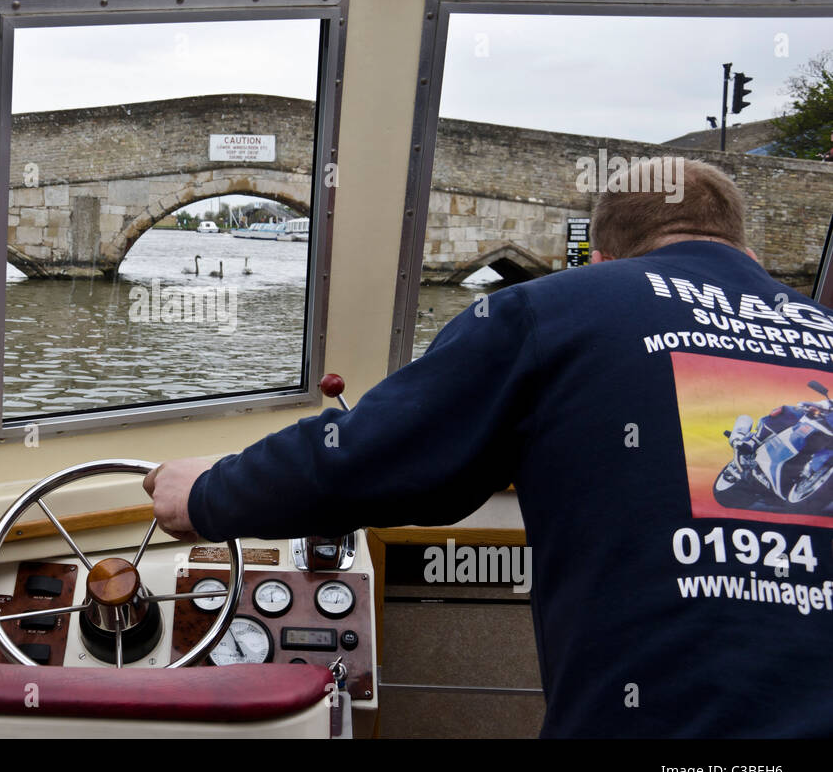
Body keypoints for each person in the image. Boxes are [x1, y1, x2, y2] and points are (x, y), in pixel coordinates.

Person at [144, 160, 833, 737]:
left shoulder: (553, 309)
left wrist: (207, 494)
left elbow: (377, 455)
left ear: (600, 259)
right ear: (749, 255)